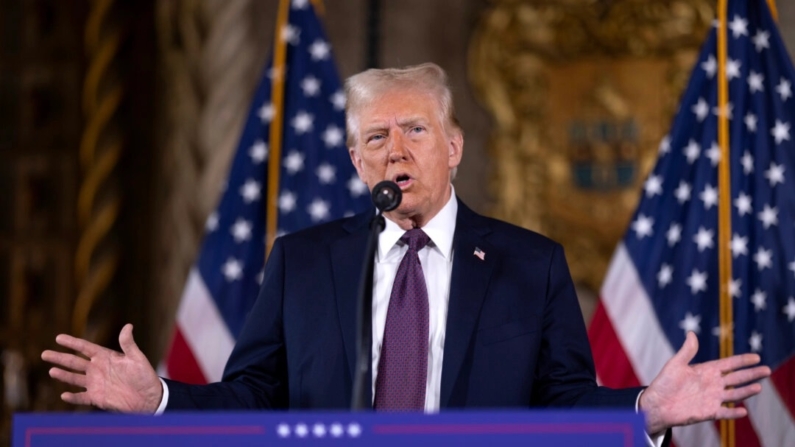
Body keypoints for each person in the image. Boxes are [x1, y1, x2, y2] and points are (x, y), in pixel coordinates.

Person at [42, 63, 769, 443]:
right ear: (358, 164)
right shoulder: (303, 261)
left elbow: (562, 403)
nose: (396, 151)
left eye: (415, 131)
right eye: (375, 138)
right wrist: (159, 398)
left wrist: (646, 409)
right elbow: (254, 395)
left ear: (452, 148)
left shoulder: (529, 263)